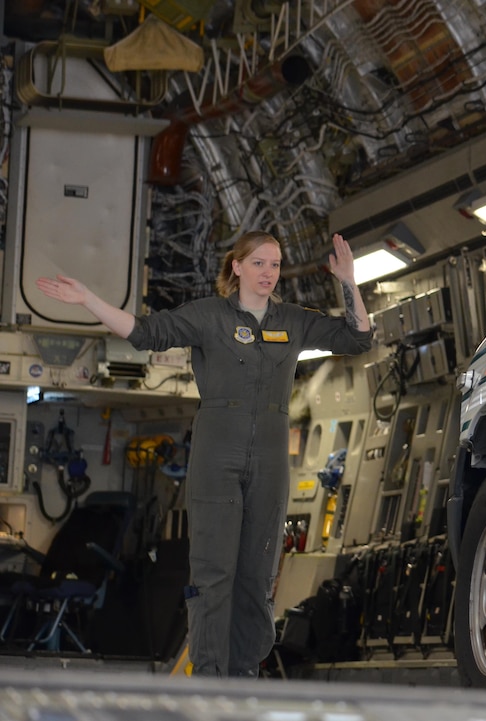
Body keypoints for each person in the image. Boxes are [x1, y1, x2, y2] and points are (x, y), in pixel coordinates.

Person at [36, 230, 373, 677]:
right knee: (215, 574)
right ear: (236, 267)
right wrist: (88, 300)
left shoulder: (293, 320)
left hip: (271, 455)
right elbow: (145, 333)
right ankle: (211, 677)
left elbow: (358, 339)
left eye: (274, 265)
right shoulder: (209, 316)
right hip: (218, 450)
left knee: (257, 576)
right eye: (258, 263)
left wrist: (348, 282)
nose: (267, 273)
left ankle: (245, 673)